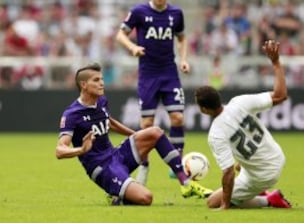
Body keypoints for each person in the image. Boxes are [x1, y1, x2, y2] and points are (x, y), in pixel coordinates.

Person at [55, 63, 212, 206]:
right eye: (96, 80)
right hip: (102, 168)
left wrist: (138, 134)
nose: (102, 83)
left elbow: (109, 122)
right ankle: (117, 196)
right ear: (83, 85)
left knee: (155, 133)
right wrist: (81, 150)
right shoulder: (71, 114)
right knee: (146, 198)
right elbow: (60, 150)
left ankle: (186, 184)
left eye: (102, 79)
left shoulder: (101, 100)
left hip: (117, 155)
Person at [194, 40, 291, 209]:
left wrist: (225, 205)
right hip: (277, 156)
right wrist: (275, 62)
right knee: (240, 166)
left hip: (264, 175)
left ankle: (269, 200)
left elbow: (228, 172)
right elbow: (280, 95)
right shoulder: (239, 102)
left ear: (204, 109)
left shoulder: (216, 133)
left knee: (212, 202)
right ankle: (258, 191)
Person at [116, 0, 190, 184]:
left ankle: (178, 161)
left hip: (169, 73)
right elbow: (120, 34)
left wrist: (183, 59)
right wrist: (132, 47)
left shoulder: (176, 14)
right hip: (148, 75)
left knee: (177, 118)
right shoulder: (139, 12)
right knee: (147, 124)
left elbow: (182, 37)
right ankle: (144, 165)